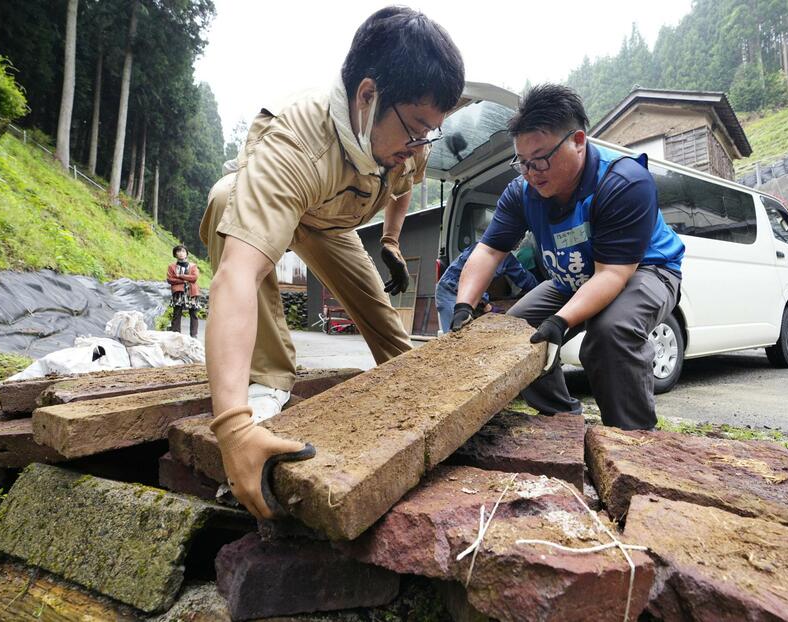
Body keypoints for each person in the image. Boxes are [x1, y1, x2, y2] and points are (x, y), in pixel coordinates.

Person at [198, 6, 465, 519]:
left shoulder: (410, 135)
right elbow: (236, 275)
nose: (417, 149)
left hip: (330, 225)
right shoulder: (295, 141)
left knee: (397, 346)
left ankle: (412, 389)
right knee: (221, 197)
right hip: (279, 205)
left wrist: (389, 239)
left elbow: (403, 186)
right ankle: (267, 381)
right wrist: (231, 427)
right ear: (368, 96)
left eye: (428, 135)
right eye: (415, 133)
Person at [451, 84, 684, 431]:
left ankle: (632, 439)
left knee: (610, 334)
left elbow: (612, 276)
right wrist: (463, 307)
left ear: (577, 140)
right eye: (523, 163)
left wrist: (560, 322)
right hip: (573, 280)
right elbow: (488, 249)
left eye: (541, 159)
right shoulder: (522, 193)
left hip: (644, 270)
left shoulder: (623, 181)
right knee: (514, 335)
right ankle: (563, 426)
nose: (532, 172)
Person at [435, 242, 539, 333]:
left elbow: (523, 277)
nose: (519, 242)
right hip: (450, 289)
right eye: (517, 238)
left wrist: (542, 290)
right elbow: (472, 279)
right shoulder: (480, 250)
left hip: (473, 295)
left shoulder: (508, 258)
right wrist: (485, 304)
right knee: (455, 333)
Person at [166, 245, 200, 338]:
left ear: (187, 254)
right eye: (179, 251)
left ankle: (194, 336)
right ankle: (176, 335)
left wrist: (180, 276)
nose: (181, 253)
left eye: (183, 251)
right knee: (177, 313)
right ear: (175, 254)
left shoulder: (193, 266)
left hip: (191, 292)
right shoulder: (172, 266)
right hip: (178, 292)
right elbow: (170, 279)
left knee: (193, 313)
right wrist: (184, 280)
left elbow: (195, 278)